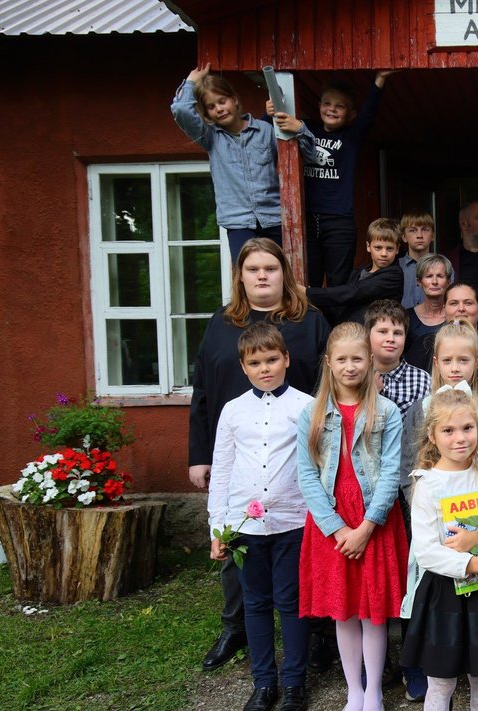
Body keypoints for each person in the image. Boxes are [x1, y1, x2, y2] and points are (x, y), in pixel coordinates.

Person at [188, 238, 330, 673]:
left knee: (299, 552)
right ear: (241, 276)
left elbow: (328, 382)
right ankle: (236, 627)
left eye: (270, 267)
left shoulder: (309, 322)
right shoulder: (221, 322)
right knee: (237, 546)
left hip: (296, 459)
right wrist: (199, 454)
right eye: (253, 269)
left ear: (284, 273)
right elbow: (204, 390)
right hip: (238, 454)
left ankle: (316, 633)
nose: (262, 275)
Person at [296, 322, 408, 711]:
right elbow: (307, 475)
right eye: (341, 359)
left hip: (373, 518)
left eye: (357, 358)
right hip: (331, 520)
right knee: (344, 610)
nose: (349, 366)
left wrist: (365, 527)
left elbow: (392, 471)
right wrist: (337, 527)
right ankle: (354, 691)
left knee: (374, 611)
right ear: (328, 362)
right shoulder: (309, 413)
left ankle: (374, 690)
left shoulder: (387, 411)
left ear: (370, 361)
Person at [207, 323, 315, 711]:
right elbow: (222, 468)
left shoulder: (306, 406)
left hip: (293, 522)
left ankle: (294, 683)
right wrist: (217, 527)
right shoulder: (233, 411)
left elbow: (317, 465)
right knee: (255, 603)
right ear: (244, 366)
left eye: (272, 359)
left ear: (286, 359)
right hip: (245, 525)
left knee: (290, 601)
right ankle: (263, 682)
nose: (265, 368)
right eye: (256, 362)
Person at [400, 388, 478, 711]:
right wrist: (475, 563)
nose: (460, 438)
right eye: (448, 431)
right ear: (432, 435)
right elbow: (425, 551)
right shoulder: (428, 484)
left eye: (467, 428)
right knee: (441, 683)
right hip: (445, 594)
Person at [171, 63, 316, 257]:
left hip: (274, 218)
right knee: (247, 275)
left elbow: (308, 155)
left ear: (235, 100)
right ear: (206, 114)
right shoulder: (210, 137)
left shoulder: (265, 131)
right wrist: (191, 82)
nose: (219, 109)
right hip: (238, 223)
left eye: (222, 101)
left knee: (281, 273)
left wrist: (300, 129)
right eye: (211, 107)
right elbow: (181, 110)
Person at [400, 321, 478, 497]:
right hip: (434, 511)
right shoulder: (420, 410)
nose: (455, 368)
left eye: (463, 360)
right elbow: (409, 470)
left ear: (477, 362)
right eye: (447, 360)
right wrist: (421, 506)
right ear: (436, 362)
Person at [300, 72, 392, 287]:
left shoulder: (350, 137)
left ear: (350, 114)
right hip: (307, 218)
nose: (332, 108)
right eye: (327, 103)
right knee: (307, 278)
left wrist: (379, 80)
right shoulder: (306, 129)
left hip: (338, 219)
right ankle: (311, 320)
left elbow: (368, 114)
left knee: (338, 280)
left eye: (339, 106)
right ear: (319, 105)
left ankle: (336, 322)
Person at [307, 218, 404, 326]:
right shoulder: (359, 272)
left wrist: (309, 293)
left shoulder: (394, 275)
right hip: (348, 331)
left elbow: (354, 291)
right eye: (378, 247)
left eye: (389, 248)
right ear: (368, 246)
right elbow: (342, 304)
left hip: (374, 333)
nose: (384, 253)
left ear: (397, 249)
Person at [365, 299, 430, 415]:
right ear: (367, 335)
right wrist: (368, 393)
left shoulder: (422, 381)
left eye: (397, 333)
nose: (391, 339)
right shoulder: (355, 375)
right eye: (383, 331)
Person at [403, 254, 452, 372]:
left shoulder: (455, 316)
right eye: (429, 276)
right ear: (419, 281)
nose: (434, 281)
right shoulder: (406, 317)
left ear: (448, 281)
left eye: (440, 276)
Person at [399, 210, 435, 309]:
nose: (419, 235)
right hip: (401, 321)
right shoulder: (396, 267)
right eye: (413, 230)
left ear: (433, 235)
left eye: (425, 229)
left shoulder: (443, 266)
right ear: (404, 237)